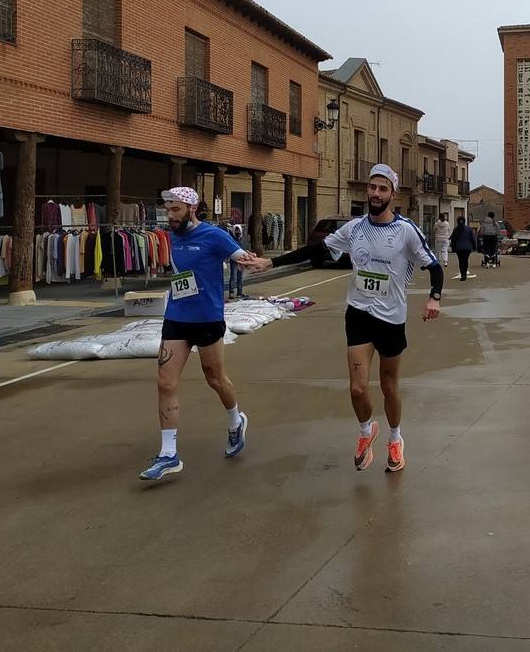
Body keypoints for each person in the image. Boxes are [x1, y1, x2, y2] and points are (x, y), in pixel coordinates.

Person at [241, 164, 442, 474]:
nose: (376, 193)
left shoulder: (406, 231)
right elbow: (316, 250)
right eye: (372, 187)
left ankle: (395, 438)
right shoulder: (355, 228)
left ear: (393, 194)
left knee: (389, 386)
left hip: (391, 318)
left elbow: (434, 267)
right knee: (358, 389)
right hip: (359, 314)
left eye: (382, 188)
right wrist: (272, 262)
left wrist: (434, 297)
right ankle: (365, 432)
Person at [140, 187, 250, 482]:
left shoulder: (214, 235)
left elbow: (240, 256)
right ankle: (168, 454)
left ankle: (235, 420)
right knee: (165, 382)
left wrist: (254, 261)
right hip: (176, 317)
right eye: (167, 210)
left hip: (208, 319)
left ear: (192, 208)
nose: (170, 216)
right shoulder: (171, 236)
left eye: (175, 210)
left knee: (214, 378)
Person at [449, 216, 476, 281]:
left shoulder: (456, 229)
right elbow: (473, 238)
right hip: (467, 248)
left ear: (457, 222)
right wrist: (474, 246)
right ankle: (465, 274)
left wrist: (453, 247)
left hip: (459, 248)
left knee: (461, 261)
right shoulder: (469, 229)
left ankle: (462, 275)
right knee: (465, 260)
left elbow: (453, 239)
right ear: (465, 221)